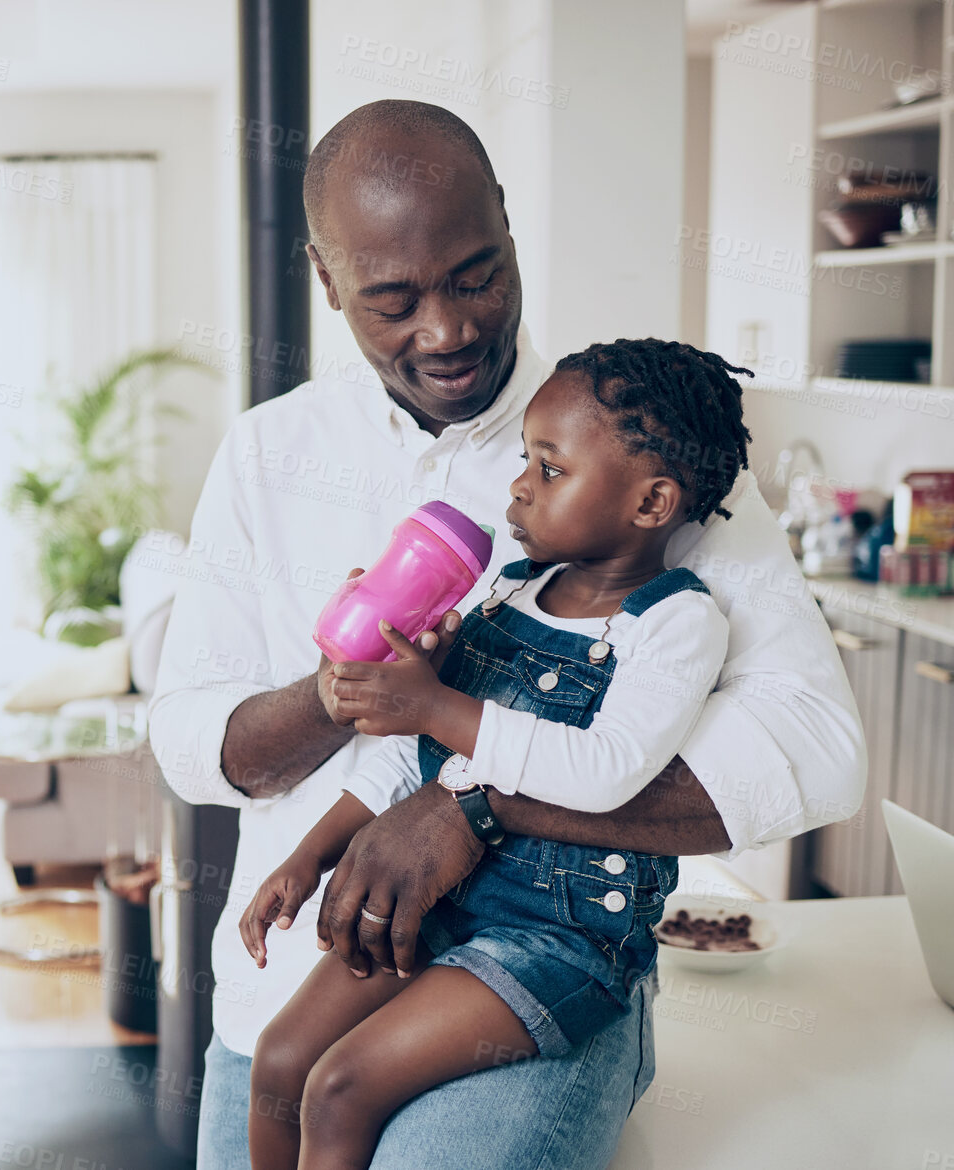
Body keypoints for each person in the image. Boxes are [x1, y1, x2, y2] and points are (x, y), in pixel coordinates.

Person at [148, 99, 865, 1170]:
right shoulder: (265, 455)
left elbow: (818, 748)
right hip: (294, 981)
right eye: (391, 299)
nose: (446, 331)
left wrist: (475, 807)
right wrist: (344, 689)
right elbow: (192, 744)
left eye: (476, 275)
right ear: (327, 278)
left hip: (532, 974)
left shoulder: (629, 439)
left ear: (509, 230)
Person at [241, 339, 748, 1169]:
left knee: (340, 1086)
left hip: (557, 937)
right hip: (438, 898)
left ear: (652, 502)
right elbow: (416, 766)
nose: (518, 485)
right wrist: (309, 854)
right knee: (283, 1063)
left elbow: (609, 770)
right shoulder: (510, 587)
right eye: (525, 460)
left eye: (550, 469)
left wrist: (437, 702)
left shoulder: (675, 623)